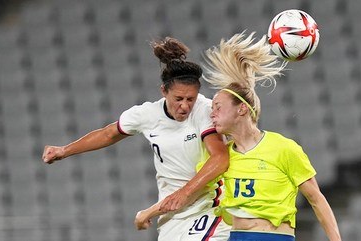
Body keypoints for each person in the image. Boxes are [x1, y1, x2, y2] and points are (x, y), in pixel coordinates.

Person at [42, 37, 231, 241]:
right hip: (171, 214)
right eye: (178, 99)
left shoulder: (204, 110)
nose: (185, 106)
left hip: (208, 207)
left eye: (190, 99)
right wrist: (64, 151)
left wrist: (184, 193)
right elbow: (108, 133)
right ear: (163, 91)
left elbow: (220, 158)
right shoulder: (147, 114)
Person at [202, 32, 342, 241]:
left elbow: (316, 198)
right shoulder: (221, 157)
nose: (212, 114)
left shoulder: (284, 149)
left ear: (241, 109)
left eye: (218, 107)